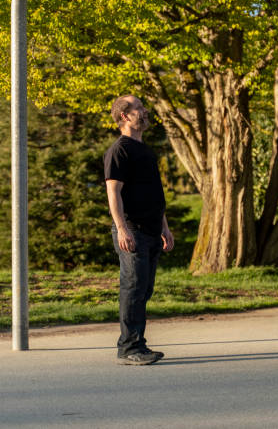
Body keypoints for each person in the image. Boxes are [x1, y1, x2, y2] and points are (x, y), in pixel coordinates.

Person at [104, 95, 175, 365]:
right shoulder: (119, 149)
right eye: (138, 108)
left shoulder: (145, 149)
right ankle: (129, 348)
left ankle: (138, 344)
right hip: (132, 231)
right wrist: (122, 229)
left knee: (143, 290)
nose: (144, 111)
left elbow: (155, 194)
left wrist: (164, 228)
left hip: (152, 230)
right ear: (124, 116)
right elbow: (114, 191)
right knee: (133, 289)